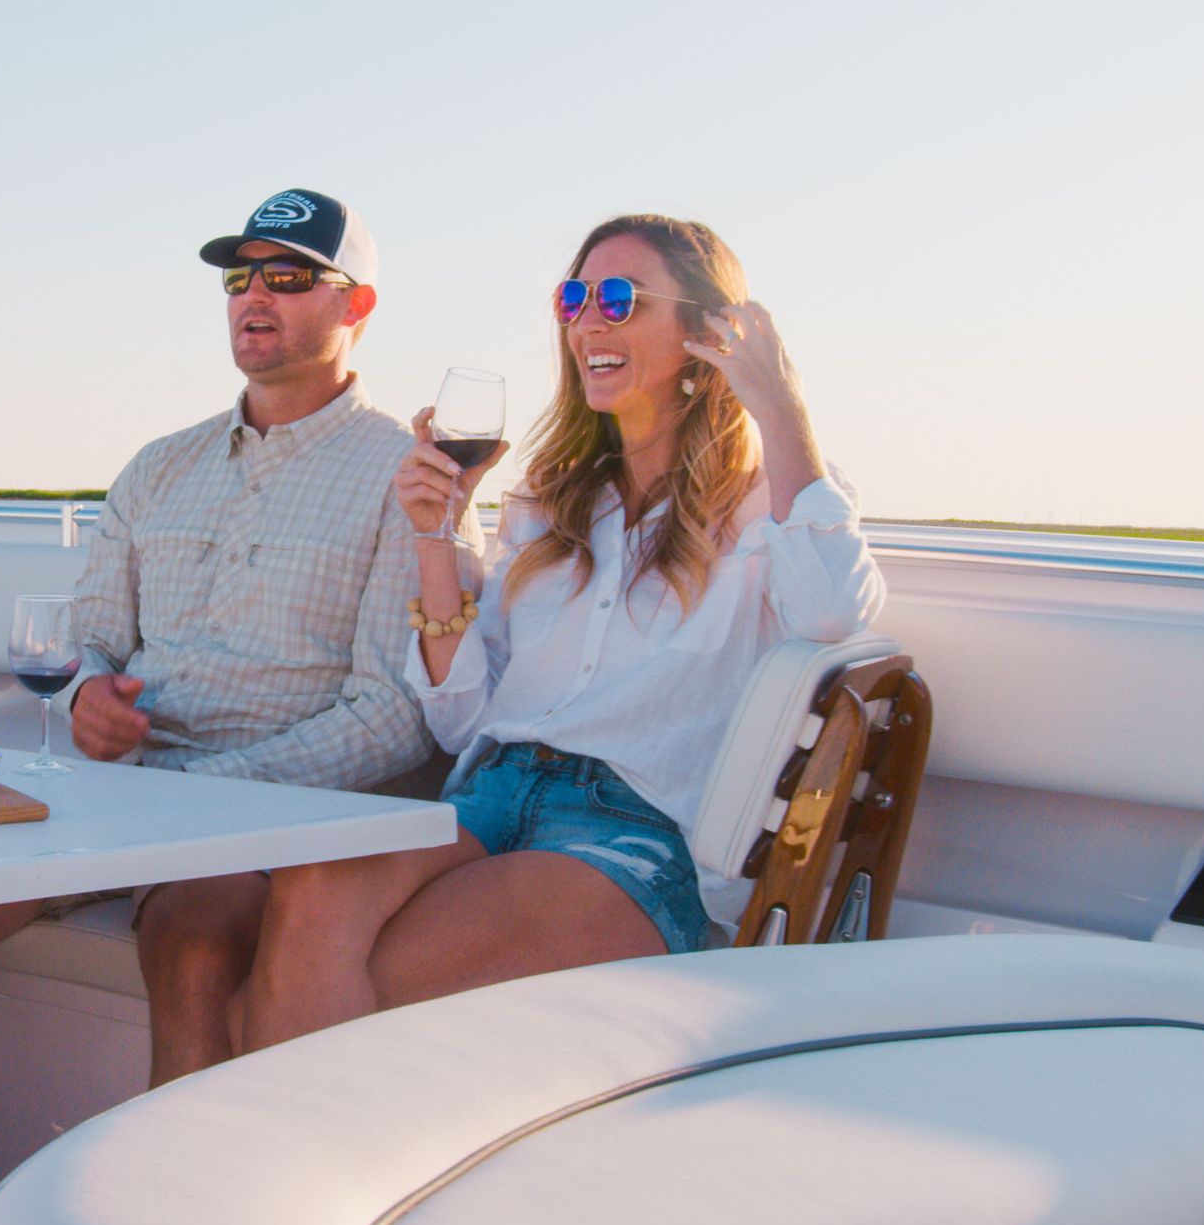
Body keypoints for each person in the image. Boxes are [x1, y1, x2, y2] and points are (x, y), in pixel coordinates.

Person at [0, 188, 451, 1222]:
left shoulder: (403, 477)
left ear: (355, 306)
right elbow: (91, 634)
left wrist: (200, 797)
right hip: (123, 800)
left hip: (276, 817)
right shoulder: (156, 466)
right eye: (238, 277)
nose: (252, 297)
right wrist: (91, 693)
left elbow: (394, 717)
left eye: (285, 276)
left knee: (191, 949)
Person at [230, 213, 885, 1056]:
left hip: (633, 831)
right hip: (490, 797)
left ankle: (278, 1175)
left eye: (619, 298)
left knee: (340, 990)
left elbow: (837, 613)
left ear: (705, 331)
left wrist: (780, 405)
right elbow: (461, 722)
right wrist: (437, 534)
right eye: (573, 299)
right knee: (312, 897)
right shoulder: (551, 499)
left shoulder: (772, 500)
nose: (588, 322)